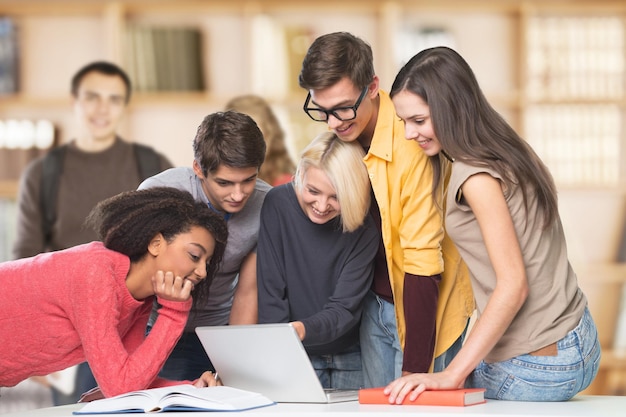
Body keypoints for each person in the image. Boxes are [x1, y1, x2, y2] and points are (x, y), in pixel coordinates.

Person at [386, 46, 601, 402]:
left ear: (452, 108)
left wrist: (452, 375)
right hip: (579, 337)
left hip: (539, 362)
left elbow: (514, 285)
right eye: (403, 122)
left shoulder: (475, 176)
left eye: (419, 120)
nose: (410, 134)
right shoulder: (505, 146)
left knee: (423, 395)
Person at [298, 32, 475, 388]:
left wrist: (415, 370)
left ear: (373, 86)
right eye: (322, 110)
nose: (334, 123)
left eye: (344, 108)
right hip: (374, 305)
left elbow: (423, 262)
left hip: (425, 308)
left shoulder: (412, 145)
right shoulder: (341, 135)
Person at [11, 60, 172, 404]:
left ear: (124, 106)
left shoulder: (151, 165)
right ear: (74, 101)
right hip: (65, 323)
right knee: (76, 409)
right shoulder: (44, 172)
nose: (103, 108)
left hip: (130, 318)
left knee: (132, 400)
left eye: (114, 99)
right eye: (93, 97)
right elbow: (25, 253)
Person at [0, 187, 228, 399]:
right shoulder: (96, 273)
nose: (202, 273)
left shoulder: (139, 299)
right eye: (195, 256)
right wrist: (175, 313)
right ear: (156, 244)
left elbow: (132, 379)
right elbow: (121, 386)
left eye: (207, 263)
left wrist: (193, 388)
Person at [138, 111, 271, 381]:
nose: (238, 194)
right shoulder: (158, 194)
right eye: (224, 183)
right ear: (198, 168)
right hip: (155, 327)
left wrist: (232, 363)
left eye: (248, 180)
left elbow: (248, 291)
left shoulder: (267, 204)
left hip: (219, 333)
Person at [257, 132, 379, 389]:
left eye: (336, 197)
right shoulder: (277, 205)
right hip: (295, 353)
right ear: (300, 173)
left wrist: (300, 329)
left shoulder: (365, 226)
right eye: (312, 191)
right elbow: (271, 294)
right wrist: (282, 347)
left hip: (352, 353)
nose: (322, 206)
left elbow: (345, 308)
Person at [224, 94, 295, 186]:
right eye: (235, 136)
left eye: (253, 137)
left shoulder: (286, 187)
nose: (244, 146)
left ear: (269, 137)